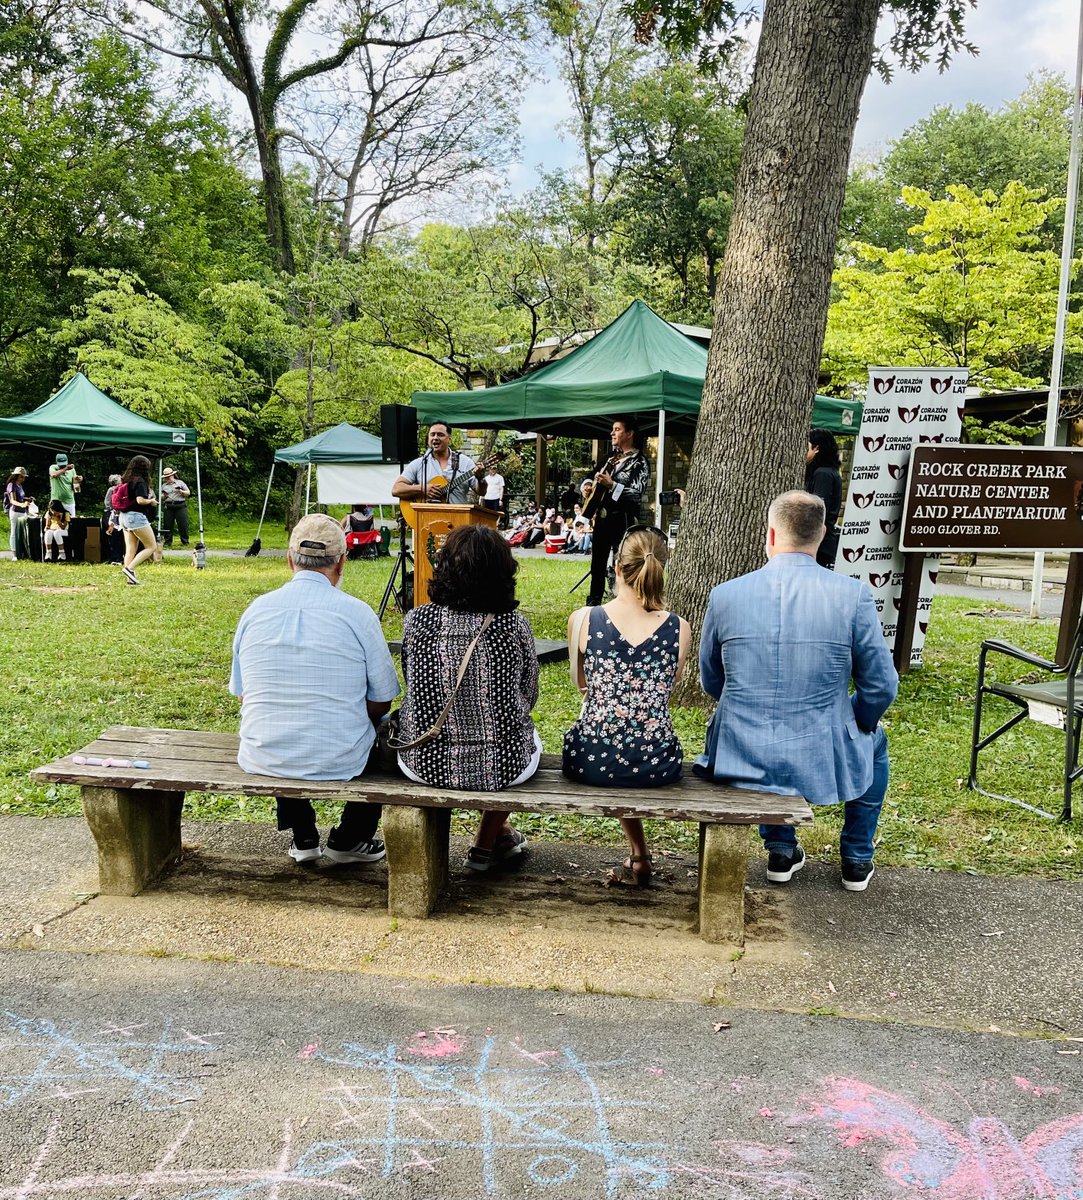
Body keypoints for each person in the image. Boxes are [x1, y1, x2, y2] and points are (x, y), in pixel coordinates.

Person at [696, 491, 898, 892]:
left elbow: (711, 680)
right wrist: (859, 718)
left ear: (770, 534)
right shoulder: (853, 595)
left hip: (742, 750)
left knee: (774, 746)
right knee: (876, 743)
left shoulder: (725, 595)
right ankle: (857, 856)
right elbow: (881, 685)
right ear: (822, 535)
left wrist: (751, 709)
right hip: (820, 746)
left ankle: (781, 848)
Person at [229, 513, 400, 864]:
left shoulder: (256, 610)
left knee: (282, 718)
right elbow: (383, 698)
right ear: (342, 561)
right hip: (342, 757)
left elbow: (244, 694)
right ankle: (352, 838)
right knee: (389, 732)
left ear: (290, 560)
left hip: (263, 753)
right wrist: (354, 717)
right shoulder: (358, 614)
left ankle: (303, 834)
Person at [395, 524, 539, 873]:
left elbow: (412, 682)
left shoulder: (417, 621)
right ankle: (488, 838)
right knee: (525, 736)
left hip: (424, 761)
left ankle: (494, 837)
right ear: (504, 572)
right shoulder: (514, 625)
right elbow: (529, 696)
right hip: (502, 765)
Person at [564, 526, 690, 886]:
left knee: (609, 740)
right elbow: (665, 690)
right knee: (630, 744)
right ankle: (640, 853)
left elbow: (582, 685)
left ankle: (640, 853)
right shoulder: (679, 628)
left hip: (592, 758)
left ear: (617, 567)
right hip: (657, 761)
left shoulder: (584, 620)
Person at [586, 417, 650, 606]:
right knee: (597, 564)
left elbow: (637, 494)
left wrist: (612, 485)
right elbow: (590, 477)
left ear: (629, 434)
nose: (612, 433)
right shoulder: (610, 457)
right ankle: (594, 603)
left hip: (623, 520)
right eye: (612, 429)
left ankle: (622, 603)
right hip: (603, 520)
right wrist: (587, 486)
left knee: (622, 563)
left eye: (617, 429)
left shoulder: (640, 461)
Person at [391, 420, 488, 508]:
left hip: (457, 520)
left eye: (440, 434)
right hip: (426, 521)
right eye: (432, 434)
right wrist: (422, 488)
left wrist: (481, 479)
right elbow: (396, 489)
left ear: (449, 439)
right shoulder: (419, 463)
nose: (435, 437)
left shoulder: (465, 462)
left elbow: (481, 492)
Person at [116, 455, 160, 586]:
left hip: (123, 516)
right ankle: (129, 569)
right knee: (152, 546)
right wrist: (151, 501)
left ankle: (130, 579)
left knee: (131, 548)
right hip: (136, 517)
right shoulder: (140, 481)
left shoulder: (126, 479)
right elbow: (140, 500)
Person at [805, 429, 842, 569]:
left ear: (816, 448)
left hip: (818, 543)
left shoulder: (822, 474)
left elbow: (817, 507)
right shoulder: (827, 472)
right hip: (820, 541)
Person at [159, 467, 192, 547]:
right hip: (169, 505)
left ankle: (185, 541)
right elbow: (160, 496)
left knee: (182, 523)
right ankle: (167, 541)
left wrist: (181, 491)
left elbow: (188, 493)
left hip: (180, 505)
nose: (167, 478)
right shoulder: (163, 486)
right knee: (167, 524)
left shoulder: (180, 483)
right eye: (166, 477)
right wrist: (164, 496)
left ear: (173, 475)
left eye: (169, 476)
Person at [4, 467, 31, 557]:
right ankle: (14, 554)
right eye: (21, 477)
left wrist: (28, 499)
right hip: (15, 511)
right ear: (16, 476)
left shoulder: (20, 486)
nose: (23, 479)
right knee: (14, 533)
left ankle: (23, 552)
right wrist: (22, 504)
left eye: (24, 477)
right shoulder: (11, 485)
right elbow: (12, 501)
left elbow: (21, 497)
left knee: (24, 532)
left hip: (23, 511)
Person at [102, 474, 126, 565]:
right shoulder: (112, 490)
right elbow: (108, 503)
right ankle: (114, 557)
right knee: (113, 535)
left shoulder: (122, 489)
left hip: (119, 513)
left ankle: (119, 556)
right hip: (112, 515)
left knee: (119, 536)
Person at [49, 453, 81, 517]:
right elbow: (53, 475)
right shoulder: (53, 467)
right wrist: (66, 468)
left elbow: (76, 488)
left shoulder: (72, 470)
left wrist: (79, 480)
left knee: (71, 523)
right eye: (61, 464)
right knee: (56, 523)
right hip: (57, 502)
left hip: (69, 501)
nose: (63, 465)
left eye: (64, 464)